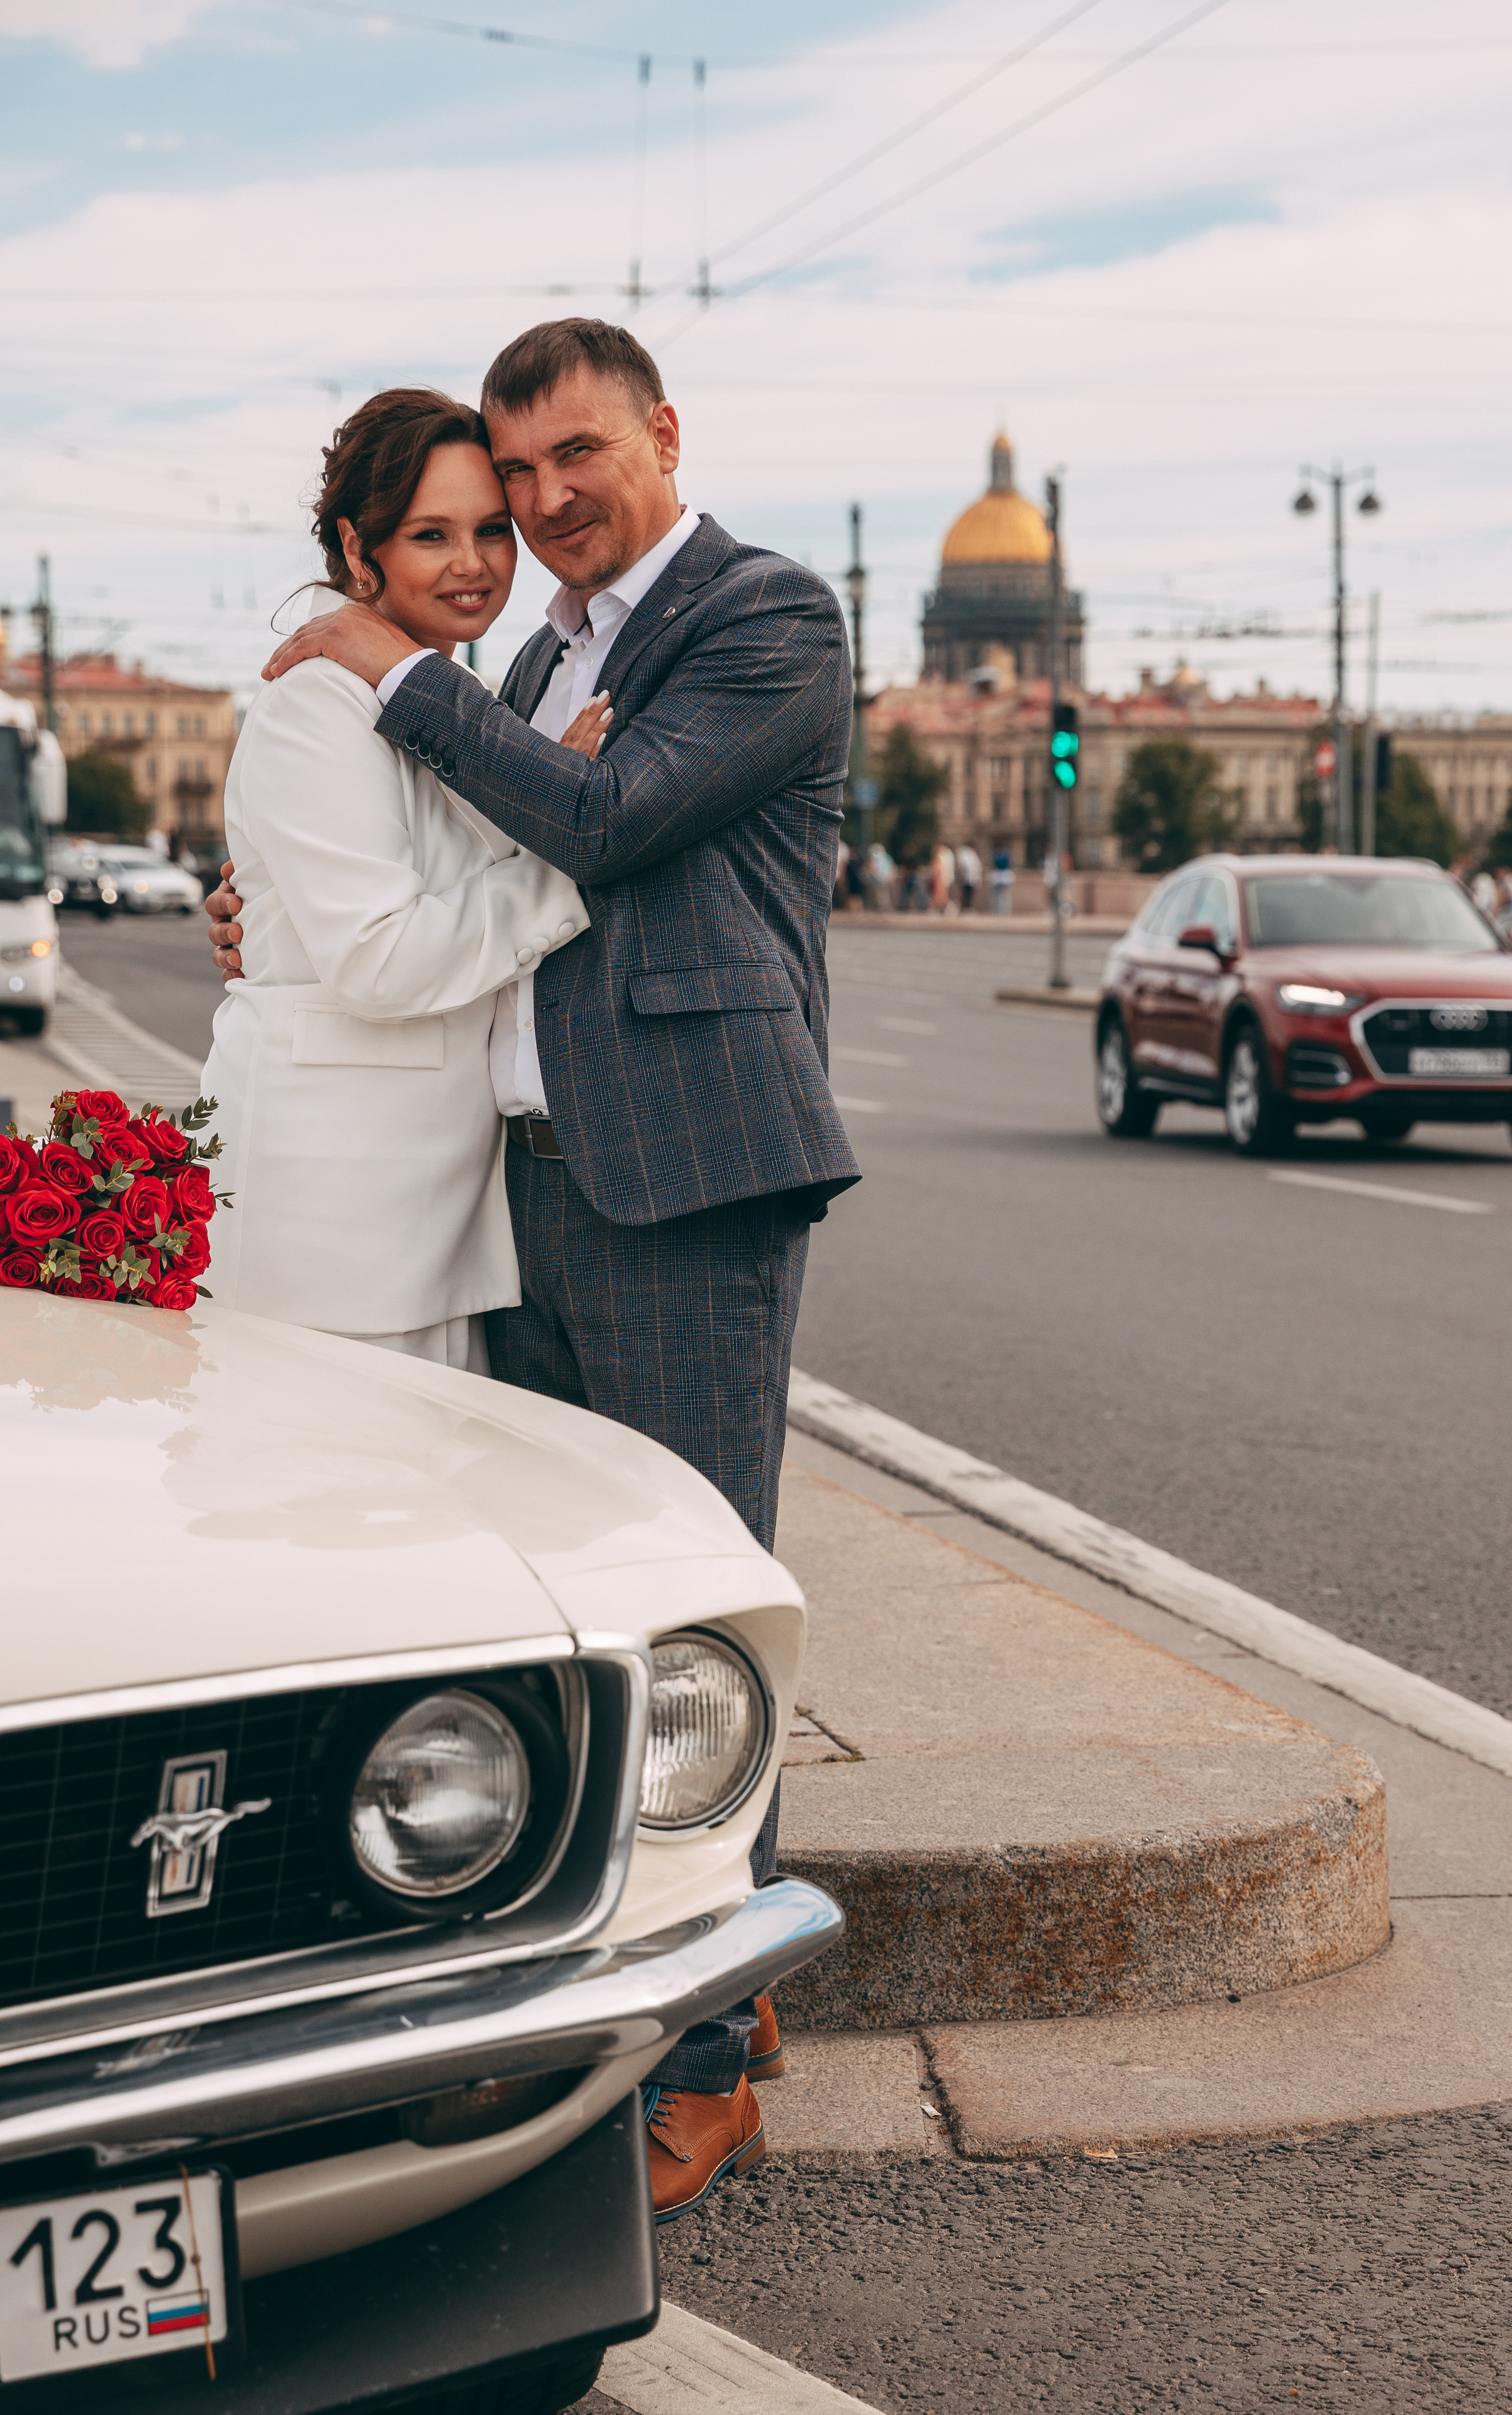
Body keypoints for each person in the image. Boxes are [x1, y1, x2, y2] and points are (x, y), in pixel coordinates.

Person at [213, 318, 860, 2222]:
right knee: (558, 1636)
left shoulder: (763, 613)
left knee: (687, 1626)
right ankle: (595, 2010)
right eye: (511, 486)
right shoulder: (540, 647)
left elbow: (587, 820)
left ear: (662, 431)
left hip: (679, 1180)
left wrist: (392, 667)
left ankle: (711, 2062)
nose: (544, 508)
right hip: (526, 1188)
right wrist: (288, 898)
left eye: (575, 460)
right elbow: (432, 860)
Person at [203, 387, 599, 1368]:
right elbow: (379, 958)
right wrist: (576, 853)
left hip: (418, 1204)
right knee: (318, 1499)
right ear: (356, 546)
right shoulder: (316, 703)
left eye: (491, 530)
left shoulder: (452, 694)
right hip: (336, 1210)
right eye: (431, 534)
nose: (472, 563)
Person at [955, 839, 981, 913]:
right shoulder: (965, 853)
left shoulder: (970, 853)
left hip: (970, 877)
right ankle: (965, 907)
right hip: (966, 876)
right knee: (966, 893)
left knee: (968, 893)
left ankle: (967, 907)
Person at [991, 846, 1015, 915]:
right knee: (1004, 896)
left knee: (999, 896)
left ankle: (1000, 911)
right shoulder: (1006, 856)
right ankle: (1003, 911)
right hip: (1004, 877)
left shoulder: (997, 857)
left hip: (1000, 877)